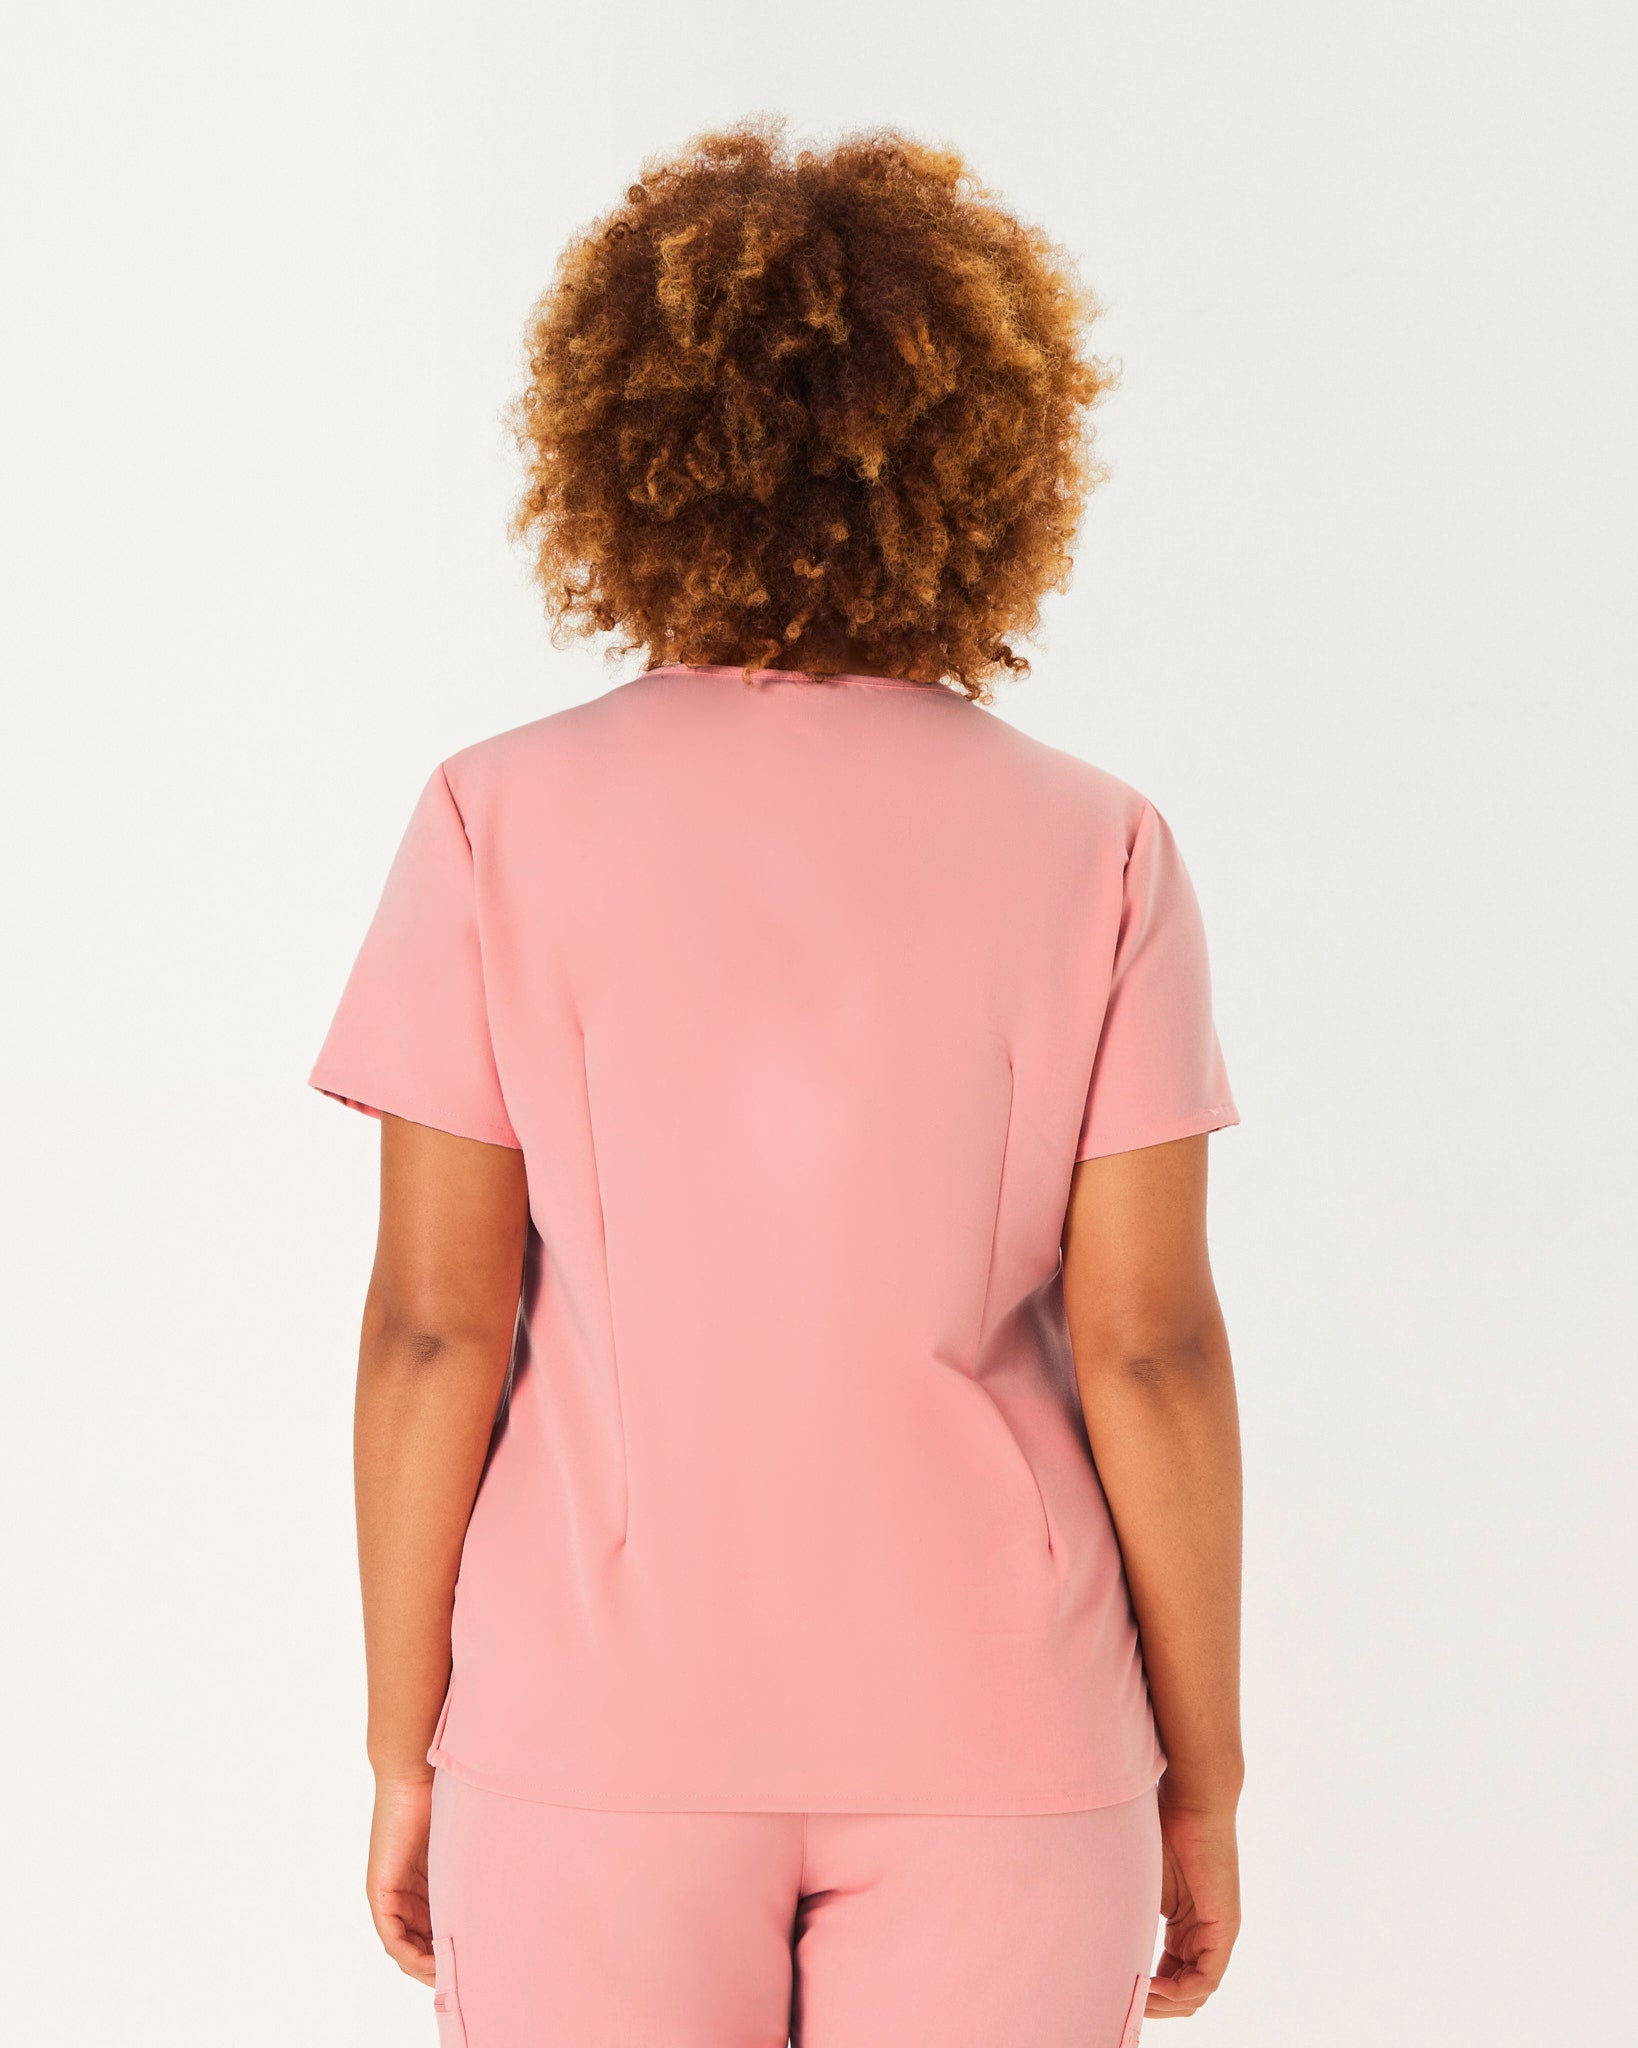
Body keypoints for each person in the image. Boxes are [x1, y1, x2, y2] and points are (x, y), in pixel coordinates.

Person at [310, 121, 1244, 2047]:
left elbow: (432, 1327)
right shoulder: (1098, 845)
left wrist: (407, 1744)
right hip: (1007, 1742)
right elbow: (1147, 1349)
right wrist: (1204, 1778)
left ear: (620, 453)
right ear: (983, 462)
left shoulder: (495, 818)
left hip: (589, 1738)